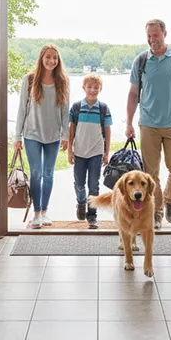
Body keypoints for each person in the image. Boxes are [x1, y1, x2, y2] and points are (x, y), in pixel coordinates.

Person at [126, 19, 171, 229]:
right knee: (150, 173)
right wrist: (128, 122)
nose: (152, 40)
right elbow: (133, 93)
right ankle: (156, 212)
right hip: (148, 124)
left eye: (155, 35)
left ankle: (170, 200)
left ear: (164, 34)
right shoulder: (141, 61)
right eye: (148, 36)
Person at [14, 43, 70, 229]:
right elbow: (22, 109)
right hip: (32, 134)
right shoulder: (29, 80)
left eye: (54, 58)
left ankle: (44, 212)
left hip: (53, 135)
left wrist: (65, 135)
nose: (51, 61)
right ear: (41, 58)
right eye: (48, 57)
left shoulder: (62, 81)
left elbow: (65, 111)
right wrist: (17, 137)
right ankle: (36, 213)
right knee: (36, 173)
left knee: (48, 174)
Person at [67, 73, 112, 229]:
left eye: (96, 87)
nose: (92, 90)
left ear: (100, 89)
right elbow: (71, 130)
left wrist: (106, 153)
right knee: (79, 183)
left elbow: (107, 131)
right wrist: (70, 151)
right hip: (79, 152)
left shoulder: (103, 108)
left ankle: (92, 216)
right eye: (89, 87)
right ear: (83, 88)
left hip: (96, 152)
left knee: (93, 185)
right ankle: (81, 202)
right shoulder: (76, 107)